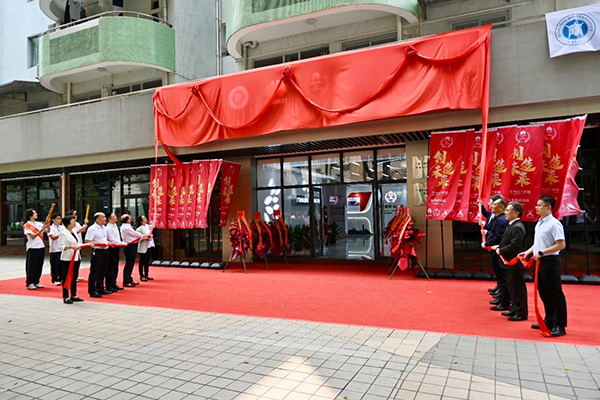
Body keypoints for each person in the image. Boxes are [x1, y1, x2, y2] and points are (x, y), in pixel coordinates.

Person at [519, 196, 567, 337]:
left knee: (554, 293)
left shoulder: (554, 224)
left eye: (540, 205)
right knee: (544, 292)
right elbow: (538, 242)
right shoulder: (540, 223)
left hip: (550, 261)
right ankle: (549, 320)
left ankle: (560, 325)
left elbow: (561, 244)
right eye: (537, 205)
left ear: (548, 207)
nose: (537, 208)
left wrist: (542, 252)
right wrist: (528, 252)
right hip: (540, 261)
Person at [492, 202, 528, 321]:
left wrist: (501, 250)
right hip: (509, 263)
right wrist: (499, 246)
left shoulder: (517, 227)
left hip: (514, 262)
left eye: (508, 210)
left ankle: (520, 312)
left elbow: (515, 245)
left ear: (516, 213)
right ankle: (514, 309)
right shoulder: (512, 225)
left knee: (518, 288)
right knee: (512, 287)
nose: (505, 213)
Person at [481, 198, 510, 311]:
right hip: (494, 250)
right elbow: (494, 232)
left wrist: (487, 243)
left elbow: (499, 236)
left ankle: (504, 301)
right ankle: (502, 298)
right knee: (500, 277)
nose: (491, 206)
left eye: (494, 204)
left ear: (502, 207)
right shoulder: (497, 218)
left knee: (503, 278)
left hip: (497, 250)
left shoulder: (501, 220)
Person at [58, 215, 84, 304]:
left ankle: (74, 295)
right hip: (67, 258)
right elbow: (60, 246)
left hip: (76, 257)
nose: (75, 223)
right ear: (68, 223)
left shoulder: (74, 232)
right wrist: (70, 247)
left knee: (74, 276)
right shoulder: (63, 233)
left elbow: (77, 243)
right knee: (66, 277)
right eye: (73, 222)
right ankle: (65, 296)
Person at [85, 212, 111, 297]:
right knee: (95, 271)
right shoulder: (92, 228)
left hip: (105, 251)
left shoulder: (104, 228)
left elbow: (103, 239)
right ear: (97, 219)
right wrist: (99, 244)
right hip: (97, 251)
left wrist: (108, 243)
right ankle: (92, 290)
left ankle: (100, 287)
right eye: (103, 217)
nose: (105, 219)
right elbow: (88, 240)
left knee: (103, 270)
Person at [23, 209, 49, 290]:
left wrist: (48, 223)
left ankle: (37, 281)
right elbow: (33, 236)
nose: (36, 214)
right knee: (32, 266)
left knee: (39, 265)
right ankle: (30, 282)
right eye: (34, 213)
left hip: (41, 247)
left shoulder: (39, 223)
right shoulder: (27, 225)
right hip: (32, 248)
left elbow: (48, 230)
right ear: (30, 215)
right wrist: (41, 230)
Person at [120, 214, 142, 287]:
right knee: (129, 263)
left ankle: (129, 278)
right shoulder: (126, 227)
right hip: (129, 246)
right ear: (127, 220)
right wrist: (142, 236)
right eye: (129, 218)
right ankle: (126, 280)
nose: (131, 219)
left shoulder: (127, 226)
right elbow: (135, 234)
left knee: (131, 263)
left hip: (132, 245)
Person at [66, 210, 88, 282]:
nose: (76, 217)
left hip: (79, 245)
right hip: (73, 246)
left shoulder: (77, 223)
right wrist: (82, 228)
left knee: (78, 261)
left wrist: (85, 224)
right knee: (72, 262)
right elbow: (76, 232)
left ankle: (76, 275)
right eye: (74, 215)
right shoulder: (69, 225)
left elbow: (82, 231)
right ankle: (71, 276)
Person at [105, 213, 124, 292]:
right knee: (111, 267)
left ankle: (113, 283)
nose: (116, 217)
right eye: (114, 216)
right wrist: (121, 243)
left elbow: (117, 237)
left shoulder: (115, 225)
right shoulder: (108, 228)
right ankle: (109, 285)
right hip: (111, 248)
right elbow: (112, 239)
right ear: (110, 219)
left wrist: (120, 243)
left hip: (116, 247)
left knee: (115, 267)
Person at [136, 215, 155, 282]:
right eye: (144, 218)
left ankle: (146, 274)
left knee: (147, 261)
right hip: (143, 247)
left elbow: (153, 225)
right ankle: (141, 275)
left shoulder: (147, 226)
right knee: (142, 262)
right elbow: (138, 239)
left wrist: (155, 217)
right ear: (141, 221)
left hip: (149, 246)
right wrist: (145, 238)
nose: (146, 219)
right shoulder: (139, 229)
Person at [48, 213, 65, 286]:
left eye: (60, 218)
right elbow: (52, 237)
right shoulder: (51, 228)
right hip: (54, 249)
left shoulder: (62, 227)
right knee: (55, 265)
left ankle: (62, 278)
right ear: (53, 220)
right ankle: (54, 279)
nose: (59, 220)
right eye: (57, 218)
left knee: (62, 265)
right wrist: (61, 235)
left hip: (62, 248)